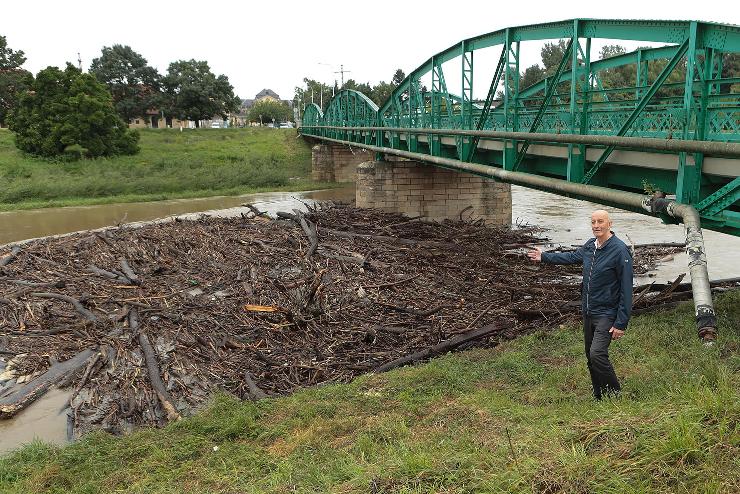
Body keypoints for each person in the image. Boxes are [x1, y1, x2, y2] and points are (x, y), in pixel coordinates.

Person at [527, 209, 633, 399]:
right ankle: (599, 395)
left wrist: (621, 322)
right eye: (593, 222)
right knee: (590, 356)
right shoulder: (591, 245)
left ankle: (615, 395)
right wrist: (544, 256)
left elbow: (626, 288)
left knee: (597, 354)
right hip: (588, 311)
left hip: (607, 313)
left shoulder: (619, 250)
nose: (596, 226)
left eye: (600, 221)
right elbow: (571, 257)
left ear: (610, 224)